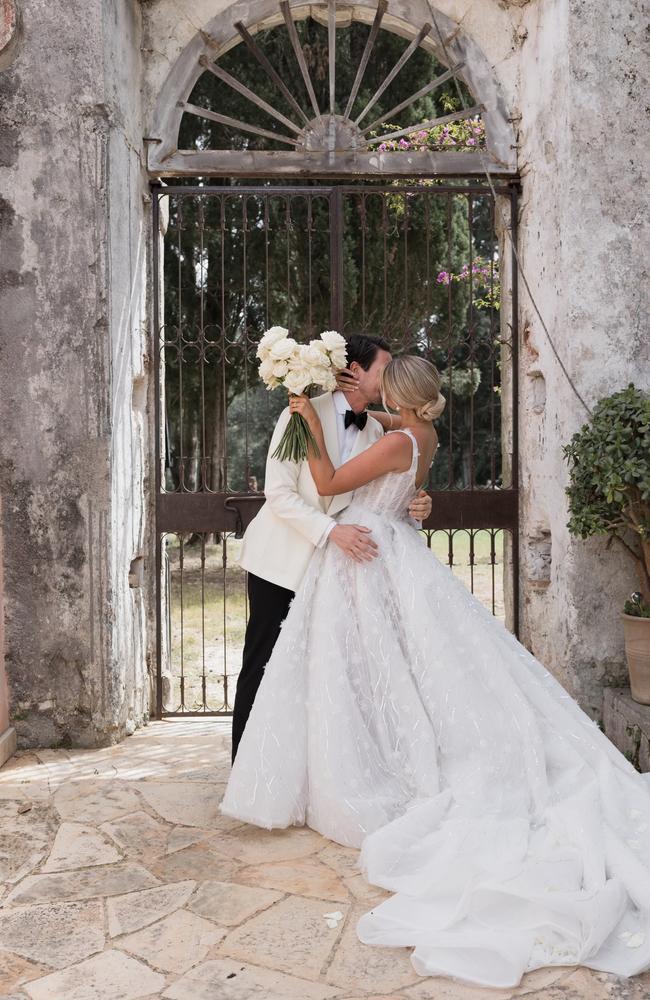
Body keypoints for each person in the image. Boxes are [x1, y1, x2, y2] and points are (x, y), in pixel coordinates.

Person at [220, 354, 650, 989]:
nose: (369, 386)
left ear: (395, 393)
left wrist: (309, 423)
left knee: (366, 670)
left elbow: (333, 483)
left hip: (366, 549)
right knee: (376, 668)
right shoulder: (423, 433)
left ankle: (368, 763)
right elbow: (369, 475)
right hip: (380, 545)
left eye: (381, 380)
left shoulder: (394, 436)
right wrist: (401, 487)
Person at [231, 335, 433, 764]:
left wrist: (416, 503)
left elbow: (382, 491)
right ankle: (245, 767)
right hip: (281, 559)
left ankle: (299, 769)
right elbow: (279, 495)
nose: (391, 377)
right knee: (263, 663)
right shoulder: (302, 414)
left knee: (314, 670)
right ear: (354, 371)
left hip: (334, 571)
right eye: (384, 369)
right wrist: (329, 532)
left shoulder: (377, 430)